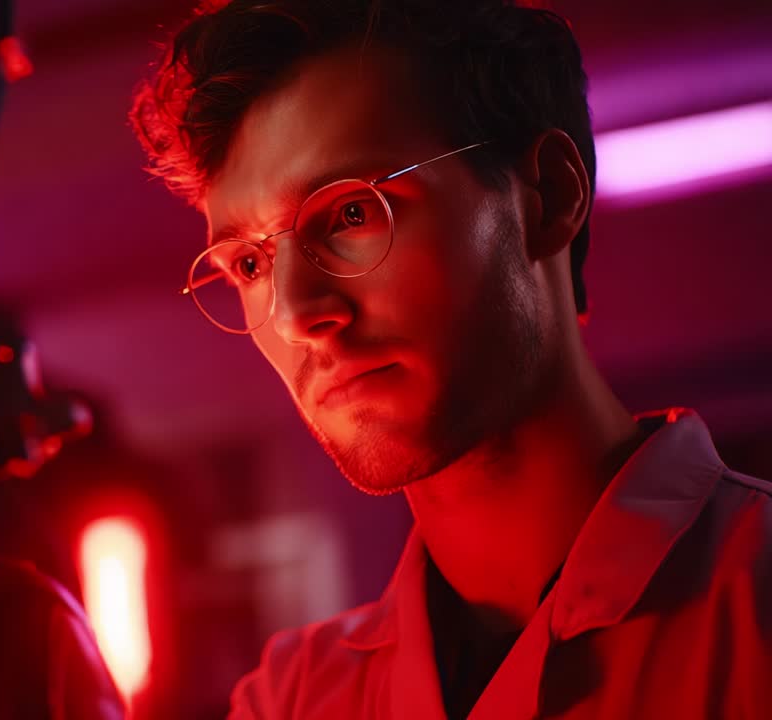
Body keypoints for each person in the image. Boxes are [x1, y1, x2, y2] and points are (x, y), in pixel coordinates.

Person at [131, 1, 772, 717]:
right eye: (249, 264)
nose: (298, 313)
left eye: (351, 213)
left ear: (548, 196)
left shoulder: (758, 607)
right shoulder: (294, 700)